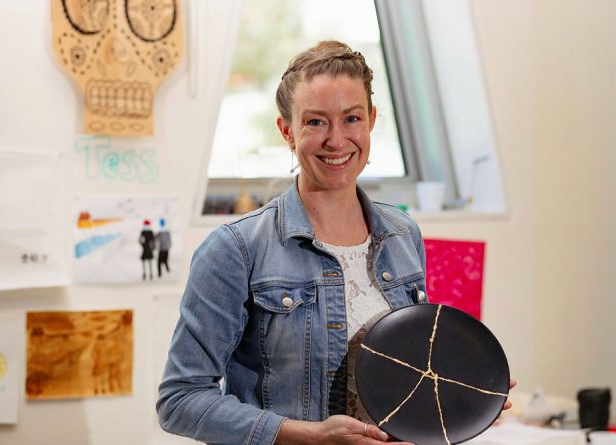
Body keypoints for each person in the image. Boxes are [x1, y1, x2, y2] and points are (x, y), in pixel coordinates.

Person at [157, 41, 512, 445]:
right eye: (315, 122)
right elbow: (180, 399)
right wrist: (308, 436)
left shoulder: (402, 234)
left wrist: (462, 394)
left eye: (352, 118)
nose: (337, 140)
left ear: (372, 121)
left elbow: (405, 372)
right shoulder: (235, 249)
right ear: (287, 131)